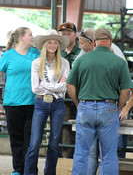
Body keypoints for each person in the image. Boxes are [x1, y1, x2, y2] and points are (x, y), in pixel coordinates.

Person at [66, 28, 132, 175]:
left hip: (85, 107)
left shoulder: (82, 59)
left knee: (82, 153)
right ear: (111, 42)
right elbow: (126, 90)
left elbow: (69, 84)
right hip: (108, 108)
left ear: (94, 42)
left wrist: (78, 103)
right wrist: (118, 107)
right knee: (108, 154)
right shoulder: (119, 62)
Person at [24, 29, 70, 175]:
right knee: (35, 142)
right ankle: (30, 172)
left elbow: (65, 87)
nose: (52, 45)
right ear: (44, 45)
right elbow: (35, 88)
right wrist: (56, 87)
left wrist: (46, 85)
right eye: (49, 42)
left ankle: (49, 173)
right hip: (41, 103)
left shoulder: (64, 63)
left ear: (58, 45)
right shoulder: (36, 63)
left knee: (54, 142)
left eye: (55, 42)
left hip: (58, 104)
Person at [0, 27, 40, 175]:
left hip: (32, 103)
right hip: (12, 103)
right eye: (30, 34)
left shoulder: (36, 53)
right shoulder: (8, 55)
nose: (32, 37)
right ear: (21, 37)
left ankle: (30, 169)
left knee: (31, 139)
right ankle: (18, 169)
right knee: (16, 138)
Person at [58, 22, 81, 157]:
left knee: (81, 124)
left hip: (80, 92)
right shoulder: (57, 51)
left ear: (75, 35)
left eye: (69, 34)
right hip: (63, 93)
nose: (66, 36)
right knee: (65, 124)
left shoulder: (82, 51)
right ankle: (67, 157)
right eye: (63, 34)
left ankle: (79, 156)